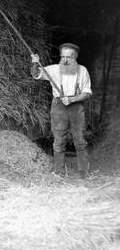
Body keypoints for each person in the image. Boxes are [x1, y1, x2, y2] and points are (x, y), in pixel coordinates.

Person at [31, 43, 92, 179]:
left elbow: (87, 93)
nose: (65, 60)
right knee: (58, 141)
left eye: (68, 57)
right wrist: (35, 63)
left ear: (75, 57)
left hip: (76, 107)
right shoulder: (54, 69)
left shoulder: (83, 71)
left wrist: (72, 99)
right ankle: (58, 172)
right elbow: (37, 74)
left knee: (80, 141)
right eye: (62, 56)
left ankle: (83, 172)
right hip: (59, 108)